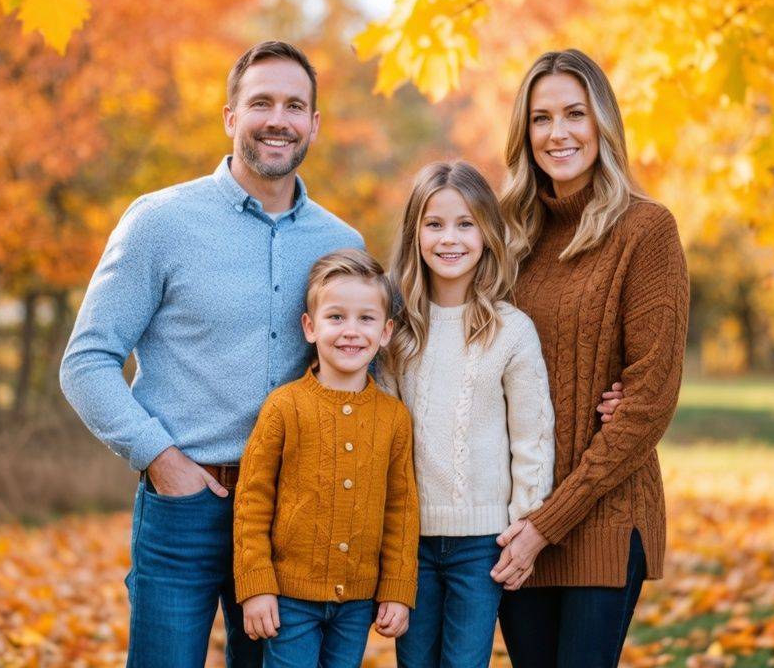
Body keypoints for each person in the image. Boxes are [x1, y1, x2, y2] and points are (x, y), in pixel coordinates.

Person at [59, 40, 362, 668]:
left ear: (314, 123)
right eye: (261, 103)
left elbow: (364, 367)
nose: (278, 119)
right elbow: (86, 361)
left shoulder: (341, 242)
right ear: (231, 117)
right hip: (186, 507)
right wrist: (162, 461)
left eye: (294, 105)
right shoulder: (160, 223)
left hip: (291, 513)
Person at [489, 48, 690, 667]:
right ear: (524, 133)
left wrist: (549, 524)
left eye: (575, 114)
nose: (559, 133)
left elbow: (646, 404)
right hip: (515, 513)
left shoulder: (646, 231)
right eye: (541, 118)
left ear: (603, 123)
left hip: (602, 512)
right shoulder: (506, 237)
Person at [381, 161, 556, 668]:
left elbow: (532, 437)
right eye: (434, 224)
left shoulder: (510, 330)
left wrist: (524, 525)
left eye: (465, 224)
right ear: (415, 234)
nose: (449, 238)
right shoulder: (397, 332)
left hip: (482, 545)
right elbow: (386, 439)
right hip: (410, 542)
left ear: (486, 233)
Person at [233, 249, 419, 668]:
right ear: (310, 327)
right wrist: (256, 585)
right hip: (289, 599)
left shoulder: (394, 418)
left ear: (386, 331)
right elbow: (252, 501)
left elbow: (402, 509)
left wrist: (397, 588)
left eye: (365, 319)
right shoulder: (284, 407)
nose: (351, 331)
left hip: (356, 602)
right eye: (336, 317)